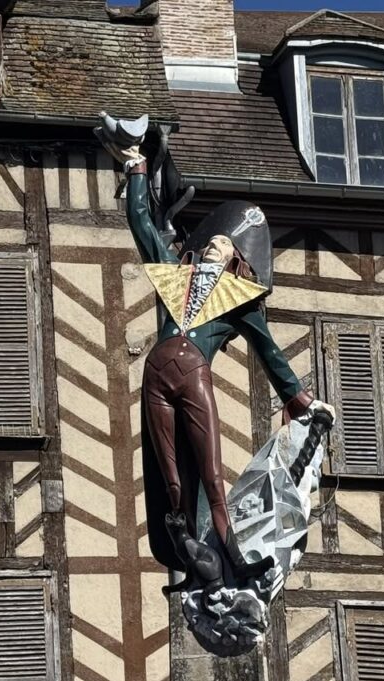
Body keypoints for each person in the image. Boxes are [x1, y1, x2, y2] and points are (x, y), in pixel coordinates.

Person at [104, 140, 332, 588]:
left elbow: (269, 352)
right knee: (170, 474)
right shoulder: (175, 274)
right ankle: (188, 554)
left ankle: (234, 561)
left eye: (224, 244)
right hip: (157, 371)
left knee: (211, 473)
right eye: (211, 242)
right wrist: (136, 169)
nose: (213, 246)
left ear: (236, 258)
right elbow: (141, 225)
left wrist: (302, 401)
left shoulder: (241, 302)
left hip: (193, 372)